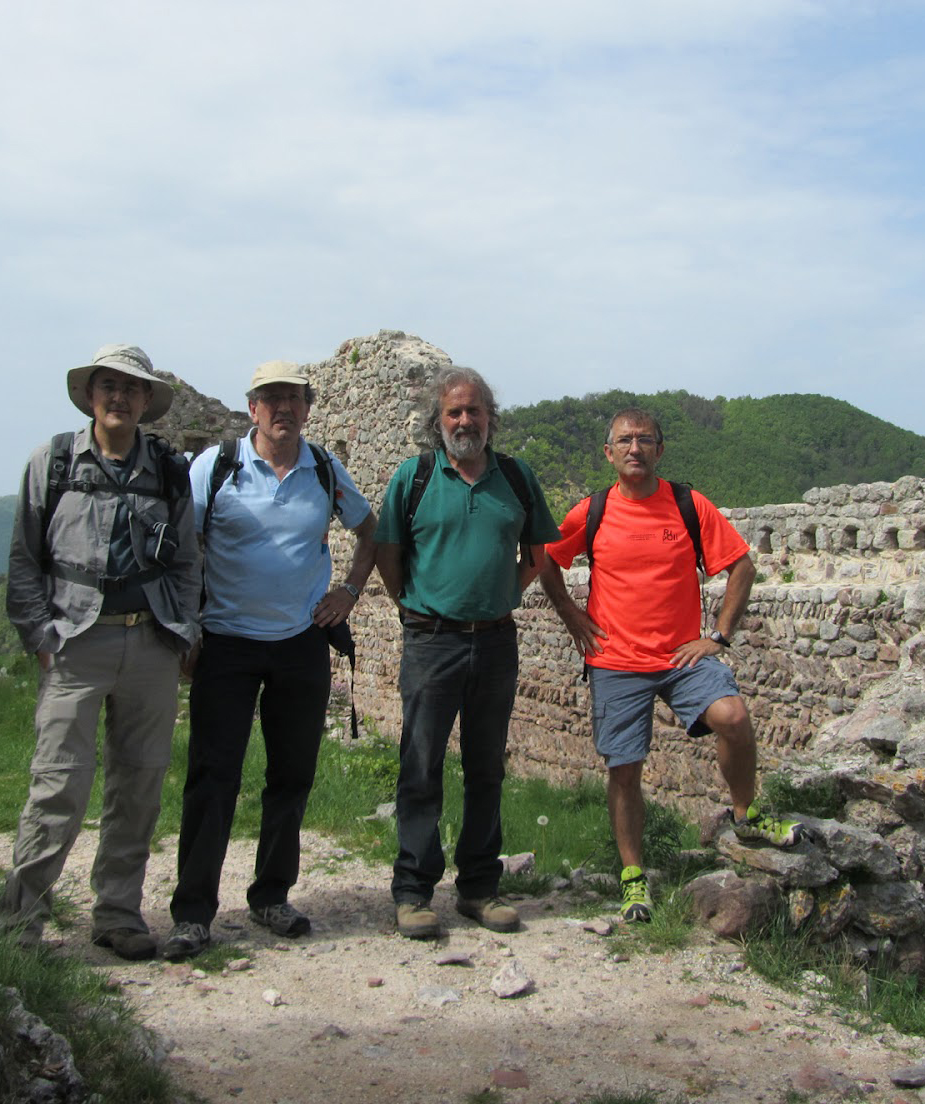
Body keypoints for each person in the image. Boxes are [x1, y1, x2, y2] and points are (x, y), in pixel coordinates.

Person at [539, 407, 800, 924]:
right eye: (624, 441)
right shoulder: (590, 512)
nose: (634, 449)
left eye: (644, 440)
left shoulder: (687, 505)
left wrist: (718, 636)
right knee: (624, 768)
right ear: (608, 453)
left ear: (661, 449)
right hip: (616, 660)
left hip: (683, 655)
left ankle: (746, 815)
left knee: (734, 717)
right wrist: (573, 618)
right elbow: (547, 560)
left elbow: (741, 566)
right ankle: (634, 879)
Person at [161, 360, 378, 960]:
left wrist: (350, 592)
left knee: (291, 775)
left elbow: (369, 530)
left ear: (308, 408)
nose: (283, 409)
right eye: (271, 399)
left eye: (293, 399)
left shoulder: (324, 469)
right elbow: (183, 544)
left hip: (301, 641)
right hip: (227, 640)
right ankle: (193, 912)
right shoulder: (218, 465)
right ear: (252, 408)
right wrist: (189, 627)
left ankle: (270, 896)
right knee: (212, 777)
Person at [0, 344, 201, 959]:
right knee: (57, 787)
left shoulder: (167, 469)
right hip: (75, 644)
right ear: (90, 395)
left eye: (131, 389)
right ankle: (19, 925)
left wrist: (185, 632)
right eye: (107, 385)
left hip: (151, 643)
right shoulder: (52, 462)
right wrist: (40, 638)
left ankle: (117, 914)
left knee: (138, 786)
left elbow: (189, 560)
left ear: (145, 402)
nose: (118, 397)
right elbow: (23, 560)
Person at [373, 366, 560, 939]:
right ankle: (412, 892)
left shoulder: (516, 478)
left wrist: (504, 594)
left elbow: (538, 555)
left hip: (496, 641)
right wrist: (414, 604)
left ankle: (479, 888)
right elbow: (388, 551)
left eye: (474, 411)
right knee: (421, 766)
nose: (464, 420)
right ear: (439, 419)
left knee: (486, 768)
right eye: (454, 411)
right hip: (432, 641)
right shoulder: (416, 476)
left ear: (489, 418)